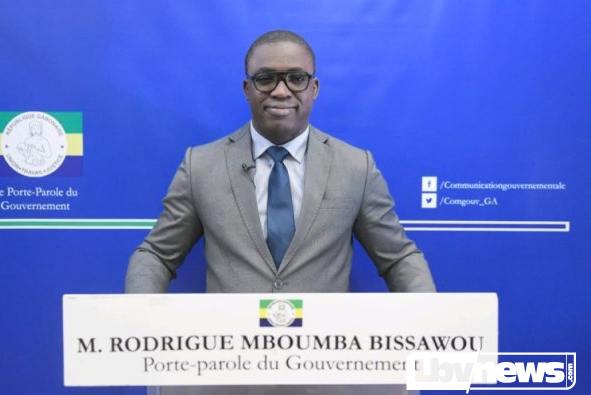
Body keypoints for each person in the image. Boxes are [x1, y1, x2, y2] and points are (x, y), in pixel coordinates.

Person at [125, 30, 435, 294]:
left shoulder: (356, 167)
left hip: (324, 344)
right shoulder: (201, 166)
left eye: (297, 78)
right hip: (229, 344)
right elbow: (156, 255)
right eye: (266, 79)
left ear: (314, 88)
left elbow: (398, 258)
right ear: (248, 89)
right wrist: (139, 316)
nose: (281, 91)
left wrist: (432, 320)